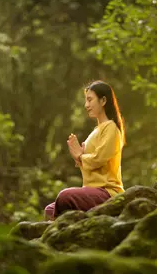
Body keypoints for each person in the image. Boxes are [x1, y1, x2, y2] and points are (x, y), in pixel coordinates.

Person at [44, 80, 126, 220]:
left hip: (107, 191)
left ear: (103, 100)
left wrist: (80, 156)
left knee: (64, 197)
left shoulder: (111, 128)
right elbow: (89, 160)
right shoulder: (96, 130)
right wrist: (78, 156)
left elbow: (99, 159)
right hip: (91, 189)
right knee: (50, 209)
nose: (86, 105)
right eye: (86, 101)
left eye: (90, 100)